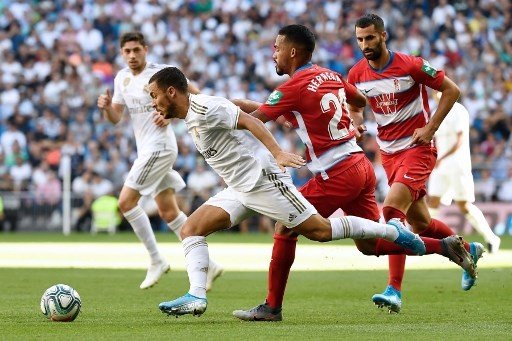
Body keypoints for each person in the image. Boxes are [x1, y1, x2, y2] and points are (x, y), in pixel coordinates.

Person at [147, 66, 475, 318]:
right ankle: (197, 296)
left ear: (172, 92)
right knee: (192, 229)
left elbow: (250, 121)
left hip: (265, 181)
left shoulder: (205, 108)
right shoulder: (197, 110)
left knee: (318, 231)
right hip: (239, 188)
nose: (153, 102)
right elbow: (239, 109)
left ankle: (388, 231)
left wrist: (276, 153)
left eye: (154, 96)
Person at [231, 24, 476, 321]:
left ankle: (272, 307)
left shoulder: (292, 87)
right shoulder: (330, 75)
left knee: (286, 226)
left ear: (292, 52)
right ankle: (444, 247)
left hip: (339, 173)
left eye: (276, 48)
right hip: (361, 166)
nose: (274, 53)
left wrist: (217, 112)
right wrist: (355, 120)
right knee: (371, 244)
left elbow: (255, 120)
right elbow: (356, 101)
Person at [346, 14, 484, 313]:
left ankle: (394, 290)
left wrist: (431, 128)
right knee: (421, 223)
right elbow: (355, 105)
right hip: (389, 154)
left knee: (392, 214)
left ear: (383, 36)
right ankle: (467, 249)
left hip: (418, 149)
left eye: (370, 38)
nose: (365, 44)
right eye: (360, 39)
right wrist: (356, 124)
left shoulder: (410, 64)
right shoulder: (356, 74)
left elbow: (453, 90)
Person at [97, 32, 223, 290]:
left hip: (160, 147)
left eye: (136, 50)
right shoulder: (121, 78)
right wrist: (107, 107)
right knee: (168, 211)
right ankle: (209, 264)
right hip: (145, 149)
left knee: (125, 202)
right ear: (122, 53)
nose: (132, 55)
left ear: (146, 49)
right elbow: (116, 117)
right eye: (127, 51)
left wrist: (170, 116)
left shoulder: (161, 73)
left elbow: (195, 94)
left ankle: (156, 259)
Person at [427, 92, 501, 254]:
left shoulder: (459, 110)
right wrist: (435, 156)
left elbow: (460, 141)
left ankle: (491, 237)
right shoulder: (435, 111)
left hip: (457, 165)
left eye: (438, 90)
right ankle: (429, 240)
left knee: (464, 205)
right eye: (433, 91)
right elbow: (435, 139)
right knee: (432, 201)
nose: (435, 94)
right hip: (440, 165)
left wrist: (441, 157)